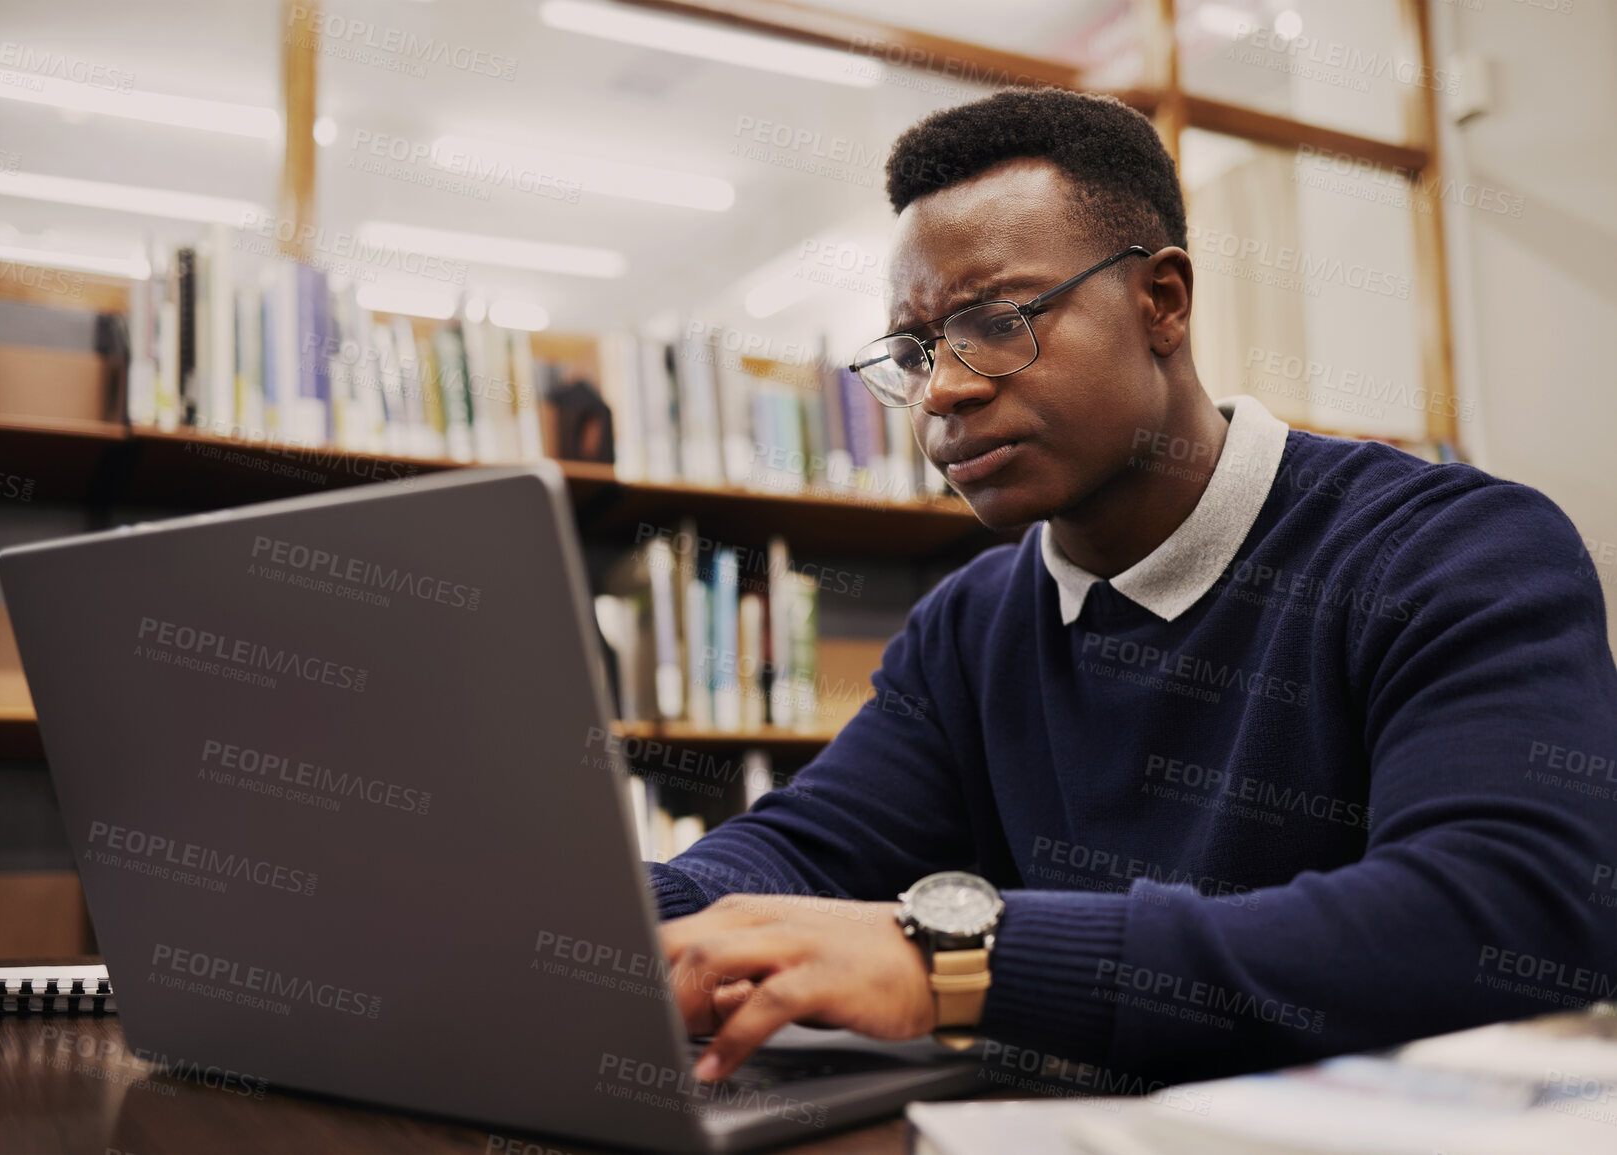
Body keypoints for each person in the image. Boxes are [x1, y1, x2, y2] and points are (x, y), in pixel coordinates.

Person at [648, 87, 1617, 1088]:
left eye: (995, 320)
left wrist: (955, 964)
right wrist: (595, 911)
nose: (944, 391)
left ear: (1163, 302)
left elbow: (1503, 919)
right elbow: (803, 854)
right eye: (916, 350)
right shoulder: (972, 626)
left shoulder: (1453, 550)